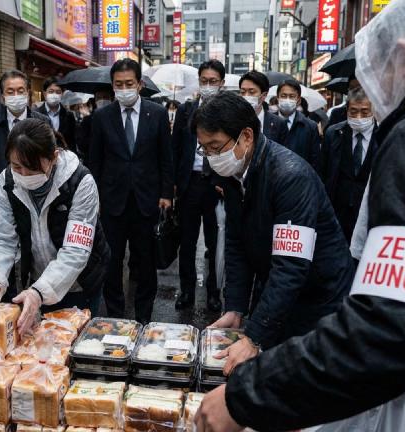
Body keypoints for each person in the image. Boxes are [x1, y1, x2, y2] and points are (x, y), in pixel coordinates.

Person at [193, 1, 405, 431]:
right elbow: (238, 244)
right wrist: (235, 307)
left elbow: (389, 326)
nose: (372, 95)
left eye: (371, 76)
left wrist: (247, 393)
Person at [199, 91, 353, 374]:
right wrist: (235, 308)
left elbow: (291, 266)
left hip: (318, 297)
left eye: (216, 147)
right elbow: (236, 244)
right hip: (278, 288)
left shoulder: (290, 176)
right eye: (204, 150)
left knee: (299, 380)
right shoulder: (234, 175)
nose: (211, 158)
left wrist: (255, 336)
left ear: (246, 136)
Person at [0, 119, 110, 334]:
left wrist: (38, 293)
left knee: (75, 341)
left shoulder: (80, 181)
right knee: (42, 347)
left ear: (54, 157)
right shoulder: (6, 182)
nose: (23, 175)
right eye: (16, 166)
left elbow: (76, 250)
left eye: (32, 168)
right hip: (36, 277)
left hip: (81, 280)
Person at [88, 59, 174, 323]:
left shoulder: (156, 113)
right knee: (111, 264)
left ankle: (143, 319)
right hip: (111, 203)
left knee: (145, 264)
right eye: (118, 85)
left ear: (140, 84)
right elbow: (95, 161)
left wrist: (166, 194)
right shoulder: (102, 117)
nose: (124, 89)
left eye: (129, 84)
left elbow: (165, 158)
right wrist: (95, 198)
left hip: (147, 201)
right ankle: (115, 317)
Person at [171, 59, 225, 312]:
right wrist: (171, 185)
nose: (208, 86)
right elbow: (175, 148)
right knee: (188, 241)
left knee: (215, 244)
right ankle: (187, 291)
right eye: (204, 81)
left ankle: (214, 293)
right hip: (189, 183)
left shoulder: (228, 110)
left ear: (221, 83)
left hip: (217, 185)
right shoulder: (186, 110)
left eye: (213, 81)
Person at [0, 70, 50, 220]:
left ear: (27, 93)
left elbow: (48, 159)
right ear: (2, 96)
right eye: (10, 91)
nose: (16, 95)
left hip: (34, 191)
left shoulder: (42, 122)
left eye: (20, 91)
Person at [320, 86, 378, 243]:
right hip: (337, 212)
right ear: (346, 110)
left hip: (368, 213)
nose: (359, 117)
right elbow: (322, 172)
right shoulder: (333, 134)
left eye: (365, 112)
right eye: (353, 112)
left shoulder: (383, 136)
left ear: (374, 110)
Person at [277, 79, 321, 169]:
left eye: (292, 96)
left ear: (298, 100)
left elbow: (315, 160)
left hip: (300, 179)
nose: (287, 100)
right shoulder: (268, 122)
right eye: (283, 96)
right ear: (278, 98)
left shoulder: (310, 127)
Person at [238, 70, 288, 144]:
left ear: (264, 95)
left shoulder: (279, 123)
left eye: (252, 92)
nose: (246, 96)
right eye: (242, 92)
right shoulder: (232, 119)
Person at [36, 77, 77, 154]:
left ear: (62, 94)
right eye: (51, 92)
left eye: (58, 92)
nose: (54, 95)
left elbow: (72, 142)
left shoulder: (69, 115)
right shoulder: (36, 114)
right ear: (45, 93)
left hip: (65, 159)